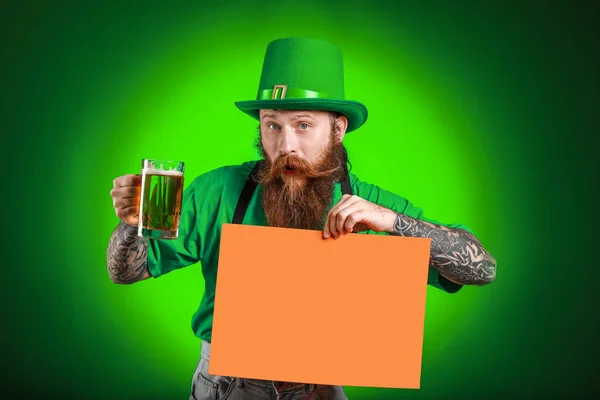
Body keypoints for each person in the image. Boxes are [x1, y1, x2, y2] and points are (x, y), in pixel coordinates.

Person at [107, 37, 496, 400]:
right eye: (272, 124)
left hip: (320, 387)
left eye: (303, 125)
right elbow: (124, 271)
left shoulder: (370, 204)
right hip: (228, 385)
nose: (285, 145)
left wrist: (393, 222)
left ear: (338, 129)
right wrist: (132, 220)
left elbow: (482, 269)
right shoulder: (218, 191)